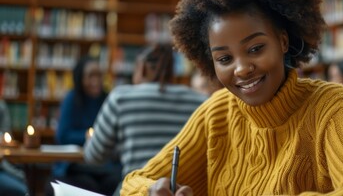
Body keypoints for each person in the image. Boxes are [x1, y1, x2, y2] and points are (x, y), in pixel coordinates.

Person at [121, 0, 343, 195]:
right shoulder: (215, 114)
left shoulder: (333, 107)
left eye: (255, 48)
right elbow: (133, 182)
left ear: (283, 41)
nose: (241, 68)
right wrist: (152, 191)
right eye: (225, 59)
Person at [83, 43, 208, 184]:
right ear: (171, 70)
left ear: (141, 68)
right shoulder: (199, 101)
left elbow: (94, 157)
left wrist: (90, 140)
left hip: (137, 189)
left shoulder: (121, 98)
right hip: (183, 191)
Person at [46, 56, 121, 196]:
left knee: (116, 182)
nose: (96, 80)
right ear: (80, 78)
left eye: (99, 75)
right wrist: (87, 135)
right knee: (87, 185)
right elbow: (62, 135)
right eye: (91, 75)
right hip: (75, 165)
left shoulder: (107, 99)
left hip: (102, 165)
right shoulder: (72, 99)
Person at [0, 100, 28, 196]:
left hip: (3, 167)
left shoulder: (1, 106)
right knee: (22, 190)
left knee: (24, 185)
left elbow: (7, 138)